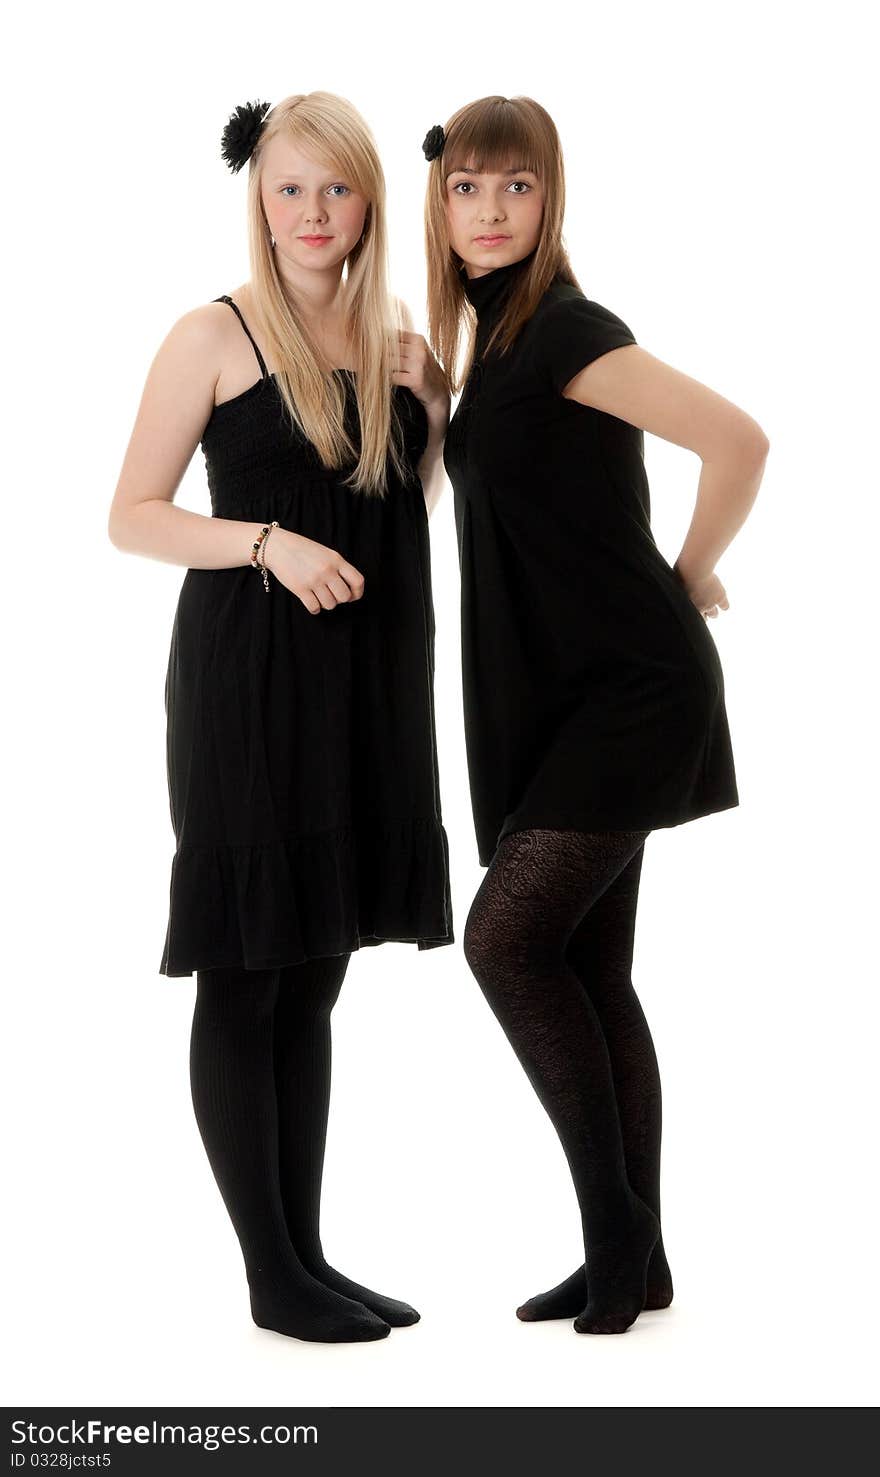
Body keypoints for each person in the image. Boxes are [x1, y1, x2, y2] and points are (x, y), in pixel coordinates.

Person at [108, 91, 453, 1343]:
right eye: (289, 188)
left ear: (368, 202)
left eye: (337, 190)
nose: (312, 213)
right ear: (258, 197)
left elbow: (397, 507)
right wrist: (261, 543)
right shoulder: (213, 333)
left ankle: (306, 1252)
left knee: (314, 970)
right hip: (252, 688)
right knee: (249, 966)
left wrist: (439, 405)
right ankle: (270, 1273)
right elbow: (132, 513)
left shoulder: (400, 343)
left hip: (365, 689)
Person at [422, 96, 768, 1334]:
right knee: (587, 964)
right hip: (565, 697)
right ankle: (636, 1252)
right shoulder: (494, 345)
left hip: (629, 693)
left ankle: (616, 1237)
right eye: (468, 187)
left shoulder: (569, 329)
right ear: (443, 202)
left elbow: (736, 439)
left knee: (506, 944)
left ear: (550, 198)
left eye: (515, 188)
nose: (491, 211)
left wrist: (683, 573)